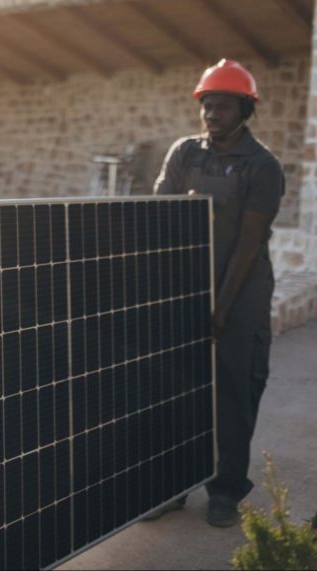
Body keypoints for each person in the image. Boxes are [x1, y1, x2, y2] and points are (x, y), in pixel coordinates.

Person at [153, 58, 284, 527]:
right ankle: (171, 486)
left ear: (245, 109)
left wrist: (220, 308)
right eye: (206, 104)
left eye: (222, 105)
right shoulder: (184, 154)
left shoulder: (262, 166)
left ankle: (226, 489)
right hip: (188, 288)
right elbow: (159, 220)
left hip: (241, 293)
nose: (211, 113)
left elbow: (248, 245)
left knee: (233, 391)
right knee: (176, 389)